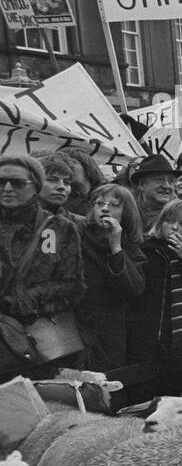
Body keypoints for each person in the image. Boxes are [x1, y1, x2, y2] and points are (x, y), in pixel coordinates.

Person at [0, 156, 85, 382]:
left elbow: (72, 285)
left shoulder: (56, 228)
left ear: (35, 186)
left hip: (35, 344)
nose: (7, 188)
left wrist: (25, 299)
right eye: (1, 182)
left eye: (17, 183)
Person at [123, 199, 182, 383]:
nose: (175, 227)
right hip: (152, 334)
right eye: (170, 221)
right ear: (161, 223)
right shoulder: (146, 250)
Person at [73, 184, 146, 372]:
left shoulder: (131, 248)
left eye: (114, 205)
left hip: (109, 331)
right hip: (76, 326)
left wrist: (116, 247)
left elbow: (133, 289)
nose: (105, 208)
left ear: (126, 213)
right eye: (99, 203)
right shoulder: (75, 237)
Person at [131, 154, 181, 231]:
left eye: (171, 181)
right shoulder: (126, 214)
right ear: (141, 185)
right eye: (159, 180)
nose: (166, 186)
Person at [59, 151, 103, 218]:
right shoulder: (65, 198)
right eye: (65, 163)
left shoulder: (106, 194)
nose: (69, 166)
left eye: (74, 162)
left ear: (87, 166)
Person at [37, 153, 82, 219]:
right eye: (52, 180)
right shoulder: (17, 218)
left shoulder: (81, 225)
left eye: (67, 182)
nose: (62, 187)